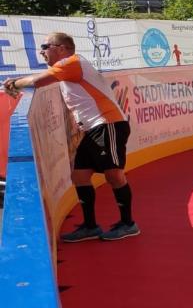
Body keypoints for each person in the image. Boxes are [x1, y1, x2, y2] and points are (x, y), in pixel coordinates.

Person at [2, 32, 140, 242]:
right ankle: (90, 226)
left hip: (107, 124)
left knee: (114, 175)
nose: (41, 52)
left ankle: (128, 224)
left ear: (61, 48)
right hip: (94, 128)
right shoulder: (67, 67)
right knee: (79, 176)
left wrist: (14, 83)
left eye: (45, 47)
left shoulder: (71, 62)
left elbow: (38, 81)